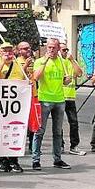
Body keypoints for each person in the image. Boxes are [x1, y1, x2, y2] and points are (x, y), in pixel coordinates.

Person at [31, 38, 71, 170]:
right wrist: (45, 61)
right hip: (45, 99)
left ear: (58, 48)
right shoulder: (39, 61)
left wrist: (67, 80)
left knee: (58, 132)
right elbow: (36, 77)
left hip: (59, 99)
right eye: (49, 47)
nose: (51, 50)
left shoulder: (61, 61)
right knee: (40, 131)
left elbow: (65, 81)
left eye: (54, 47)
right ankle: (36, 160)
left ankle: (57, 159)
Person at [0, 42, 26, 173]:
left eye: (10, 51)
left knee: (15, 131)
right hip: (0, 105)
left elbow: (23, 81)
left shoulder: (17, 65)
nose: (8, 53)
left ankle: (14, 161)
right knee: (1, 133)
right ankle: (3, 160)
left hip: (15, 105)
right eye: (5, 51)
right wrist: (2, 63)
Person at [59, 43, 85, 156]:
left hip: (70, 97)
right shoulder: (58, 62)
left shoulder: (70, 61)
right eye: (63, 49)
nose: (66, 51)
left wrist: (72, 60)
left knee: (74, 122)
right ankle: (60, 145)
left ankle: (74, 146)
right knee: (58, 123)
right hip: (59, 96)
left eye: (67, 49)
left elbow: (79, 73)